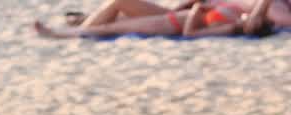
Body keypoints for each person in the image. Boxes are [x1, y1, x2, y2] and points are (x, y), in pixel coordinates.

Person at [34, 0, 286, 38]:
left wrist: (197, 11)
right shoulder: (248, 13)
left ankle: (71, 34)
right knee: (120, 4)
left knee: (115, 18)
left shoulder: (273, 11)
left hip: (173, 22)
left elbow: (191, 34)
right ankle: (88, 21)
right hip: (173, 14)